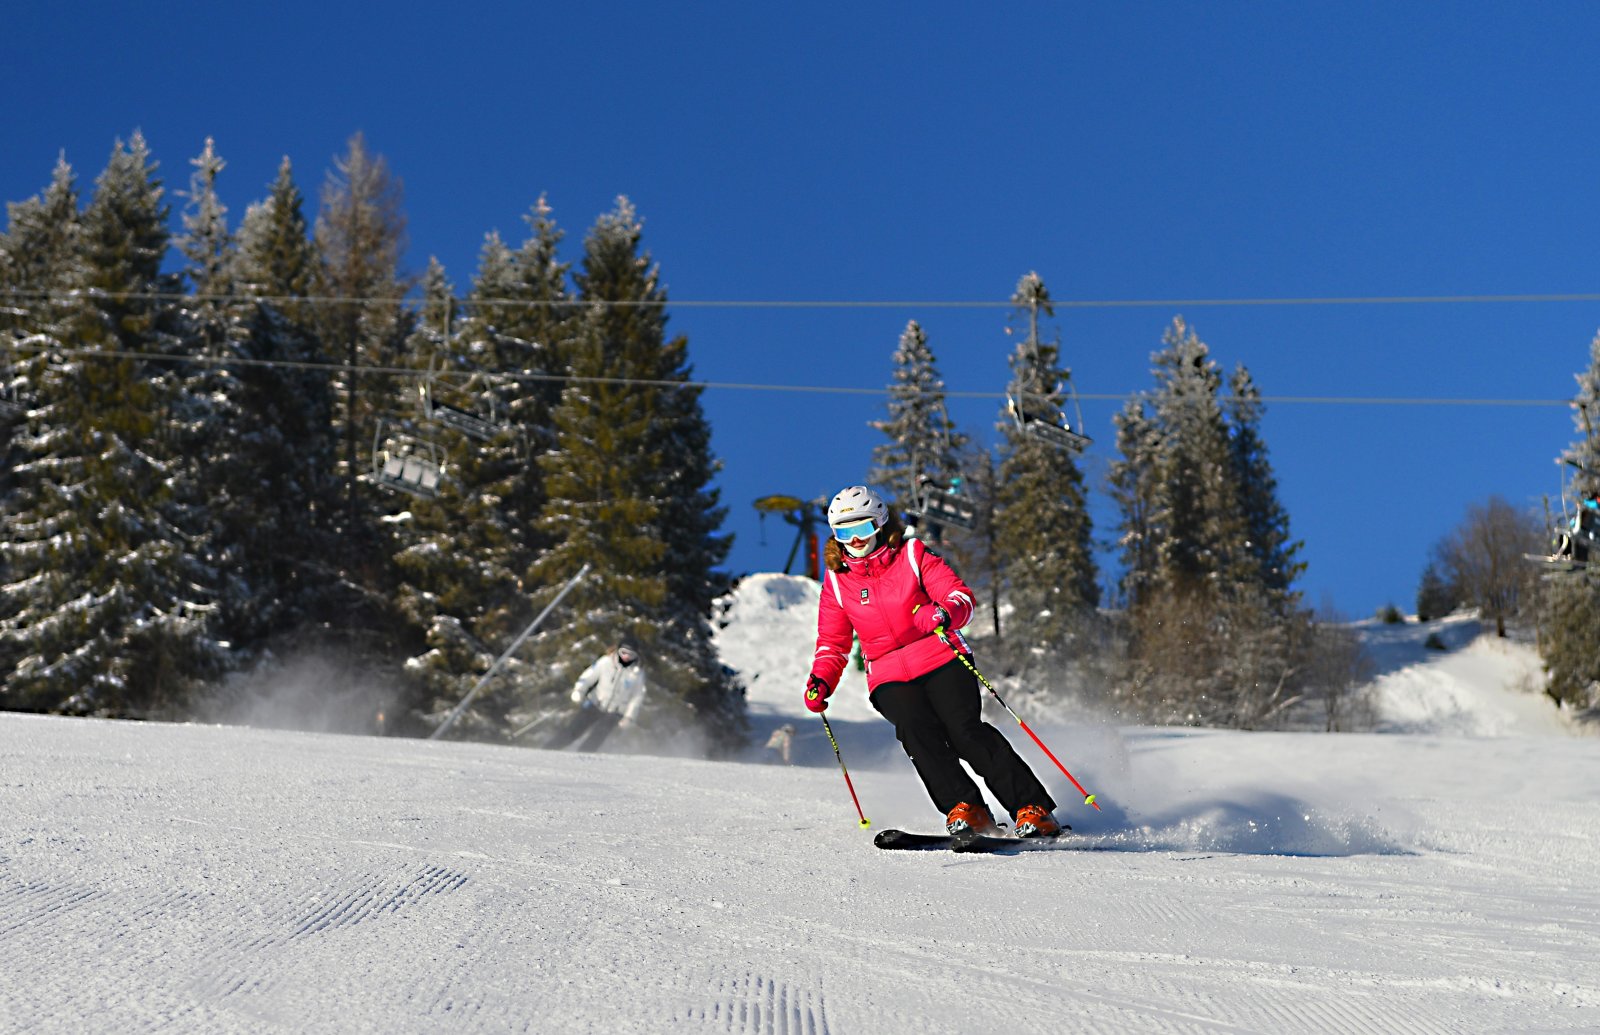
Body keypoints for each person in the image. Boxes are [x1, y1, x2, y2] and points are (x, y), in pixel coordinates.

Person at [804, 485, 1062, 838]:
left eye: (862, 528)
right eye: (844, 533)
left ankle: (1031, 807)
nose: (856, 540)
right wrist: (821, 679)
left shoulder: (912, 555)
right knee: (916, 732)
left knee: (964, 731)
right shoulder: (837, 581)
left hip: (940, 657)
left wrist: (943, 613)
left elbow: (960, 597)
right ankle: (967, 809)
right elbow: (833, 643)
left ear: (880, 524)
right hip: (888, 673)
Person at [545, 641, 647, 752]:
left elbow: (637, 697)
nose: (626, 657)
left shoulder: (637, 674)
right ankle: (547, 751)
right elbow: (587, 677)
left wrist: (629, 717)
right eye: (624, 652)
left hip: (615, 712)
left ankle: (582, 758)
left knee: (597, 737)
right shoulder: (606, 662)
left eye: (631, 654)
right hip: (595, 703)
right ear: (618, 650)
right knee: (573, 731)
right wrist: (579, 691)